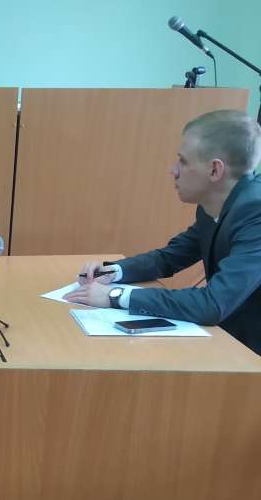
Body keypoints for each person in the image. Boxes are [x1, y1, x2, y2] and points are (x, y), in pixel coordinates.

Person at [65, 109, 261, 355]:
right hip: (230, 342)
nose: (173, 170)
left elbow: (212, 303)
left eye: (183, 161)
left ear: (214, 170)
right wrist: (113, 272)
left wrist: (115, 296)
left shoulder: (255, 212)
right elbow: (170, 257)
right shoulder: (217, 204)